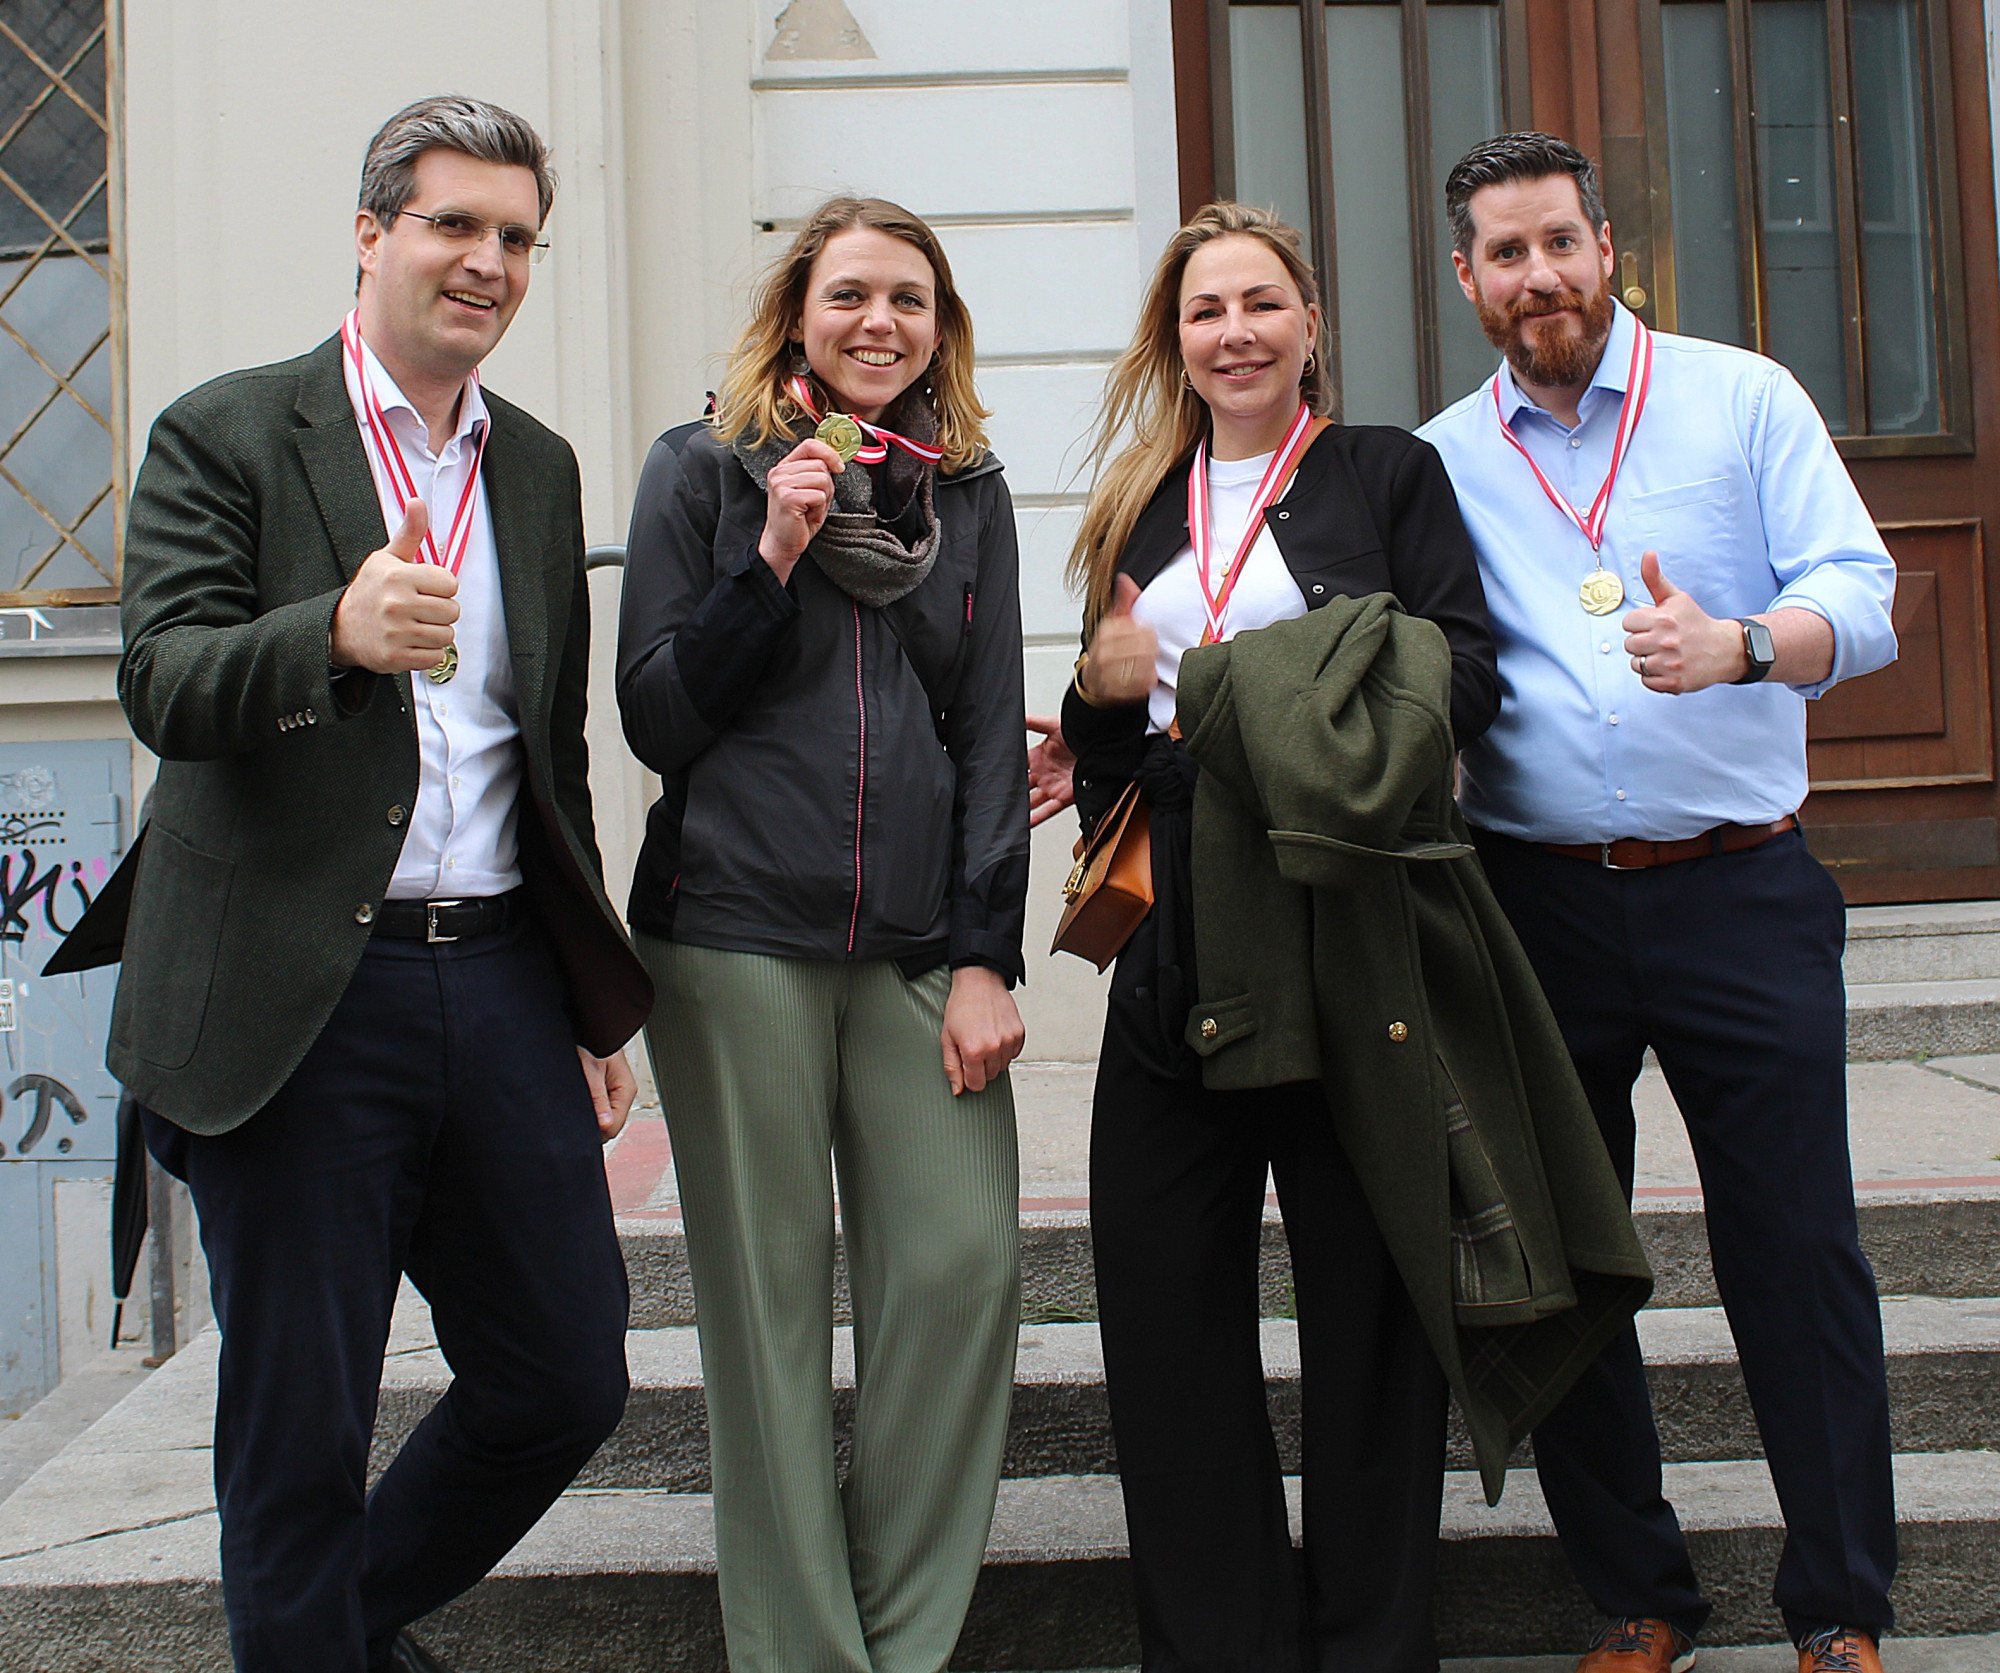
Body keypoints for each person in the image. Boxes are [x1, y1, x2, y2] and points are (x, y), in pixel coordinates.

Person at [45, 97, 653, 1673]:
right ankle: (307, 1628)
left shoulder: (540, 466)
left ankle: (322, 1627)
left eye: (517, 237)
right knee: (299, 1426)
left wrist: (589, 1003)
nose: (489, 262)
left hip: (500, 976)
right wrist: (327, 631)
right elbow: (162, 679)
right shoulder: (230, 429)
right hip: (300, 998)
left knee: (567, 1372)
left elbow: (552, 757)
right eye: (455, 224)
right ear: (373, 233)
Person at [1415, 132, 1899, 1673]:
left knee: (1797, 1246)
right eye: (1506, 252)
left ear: (1607, 244)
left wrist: (1749, 646)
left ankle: (1838, 1605)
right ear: (1466, 275)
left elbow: (1866, 598)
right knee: (1565, 1257)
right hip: (1534, 900)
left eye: (1560, 241)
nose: (1538, 274)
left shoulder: (1742, 397)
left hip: (1739, 887)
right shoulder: (1438, 456)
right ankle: (1637, 1592)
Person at [1059, 201, 1503, 1671]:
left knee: (1370, 1316)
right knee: (1166, 1314)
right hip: (1178, 937)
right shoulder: (1138, 502)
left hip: (1347, 919)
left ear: (1312, 322)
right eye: (1204, 311)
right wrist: (1105, 697)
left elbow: (1466, 676)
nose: (1234, 332)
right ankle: (1221, 1645)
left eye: (1261, 303)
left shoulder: (1387, 473)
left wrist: (1250, 687)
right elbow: (1110, 763)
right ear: (1172, 341)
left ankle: (1375, 1648)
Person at [615, 196, 1028, 1673]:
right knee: (767, 1314)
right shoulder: (701, 469)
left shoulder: (964, 492)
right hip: (731, 940)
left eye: (909, 299)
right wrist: (773, 550)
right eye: (851, 293)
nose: (880, 322)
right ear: (799, 309)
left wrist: (988, 952)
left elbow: (988, 737)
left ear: (939, 325)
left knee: (959, 1275)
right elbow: (657, 712)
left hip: (920, 947)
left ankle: (902, 1643)